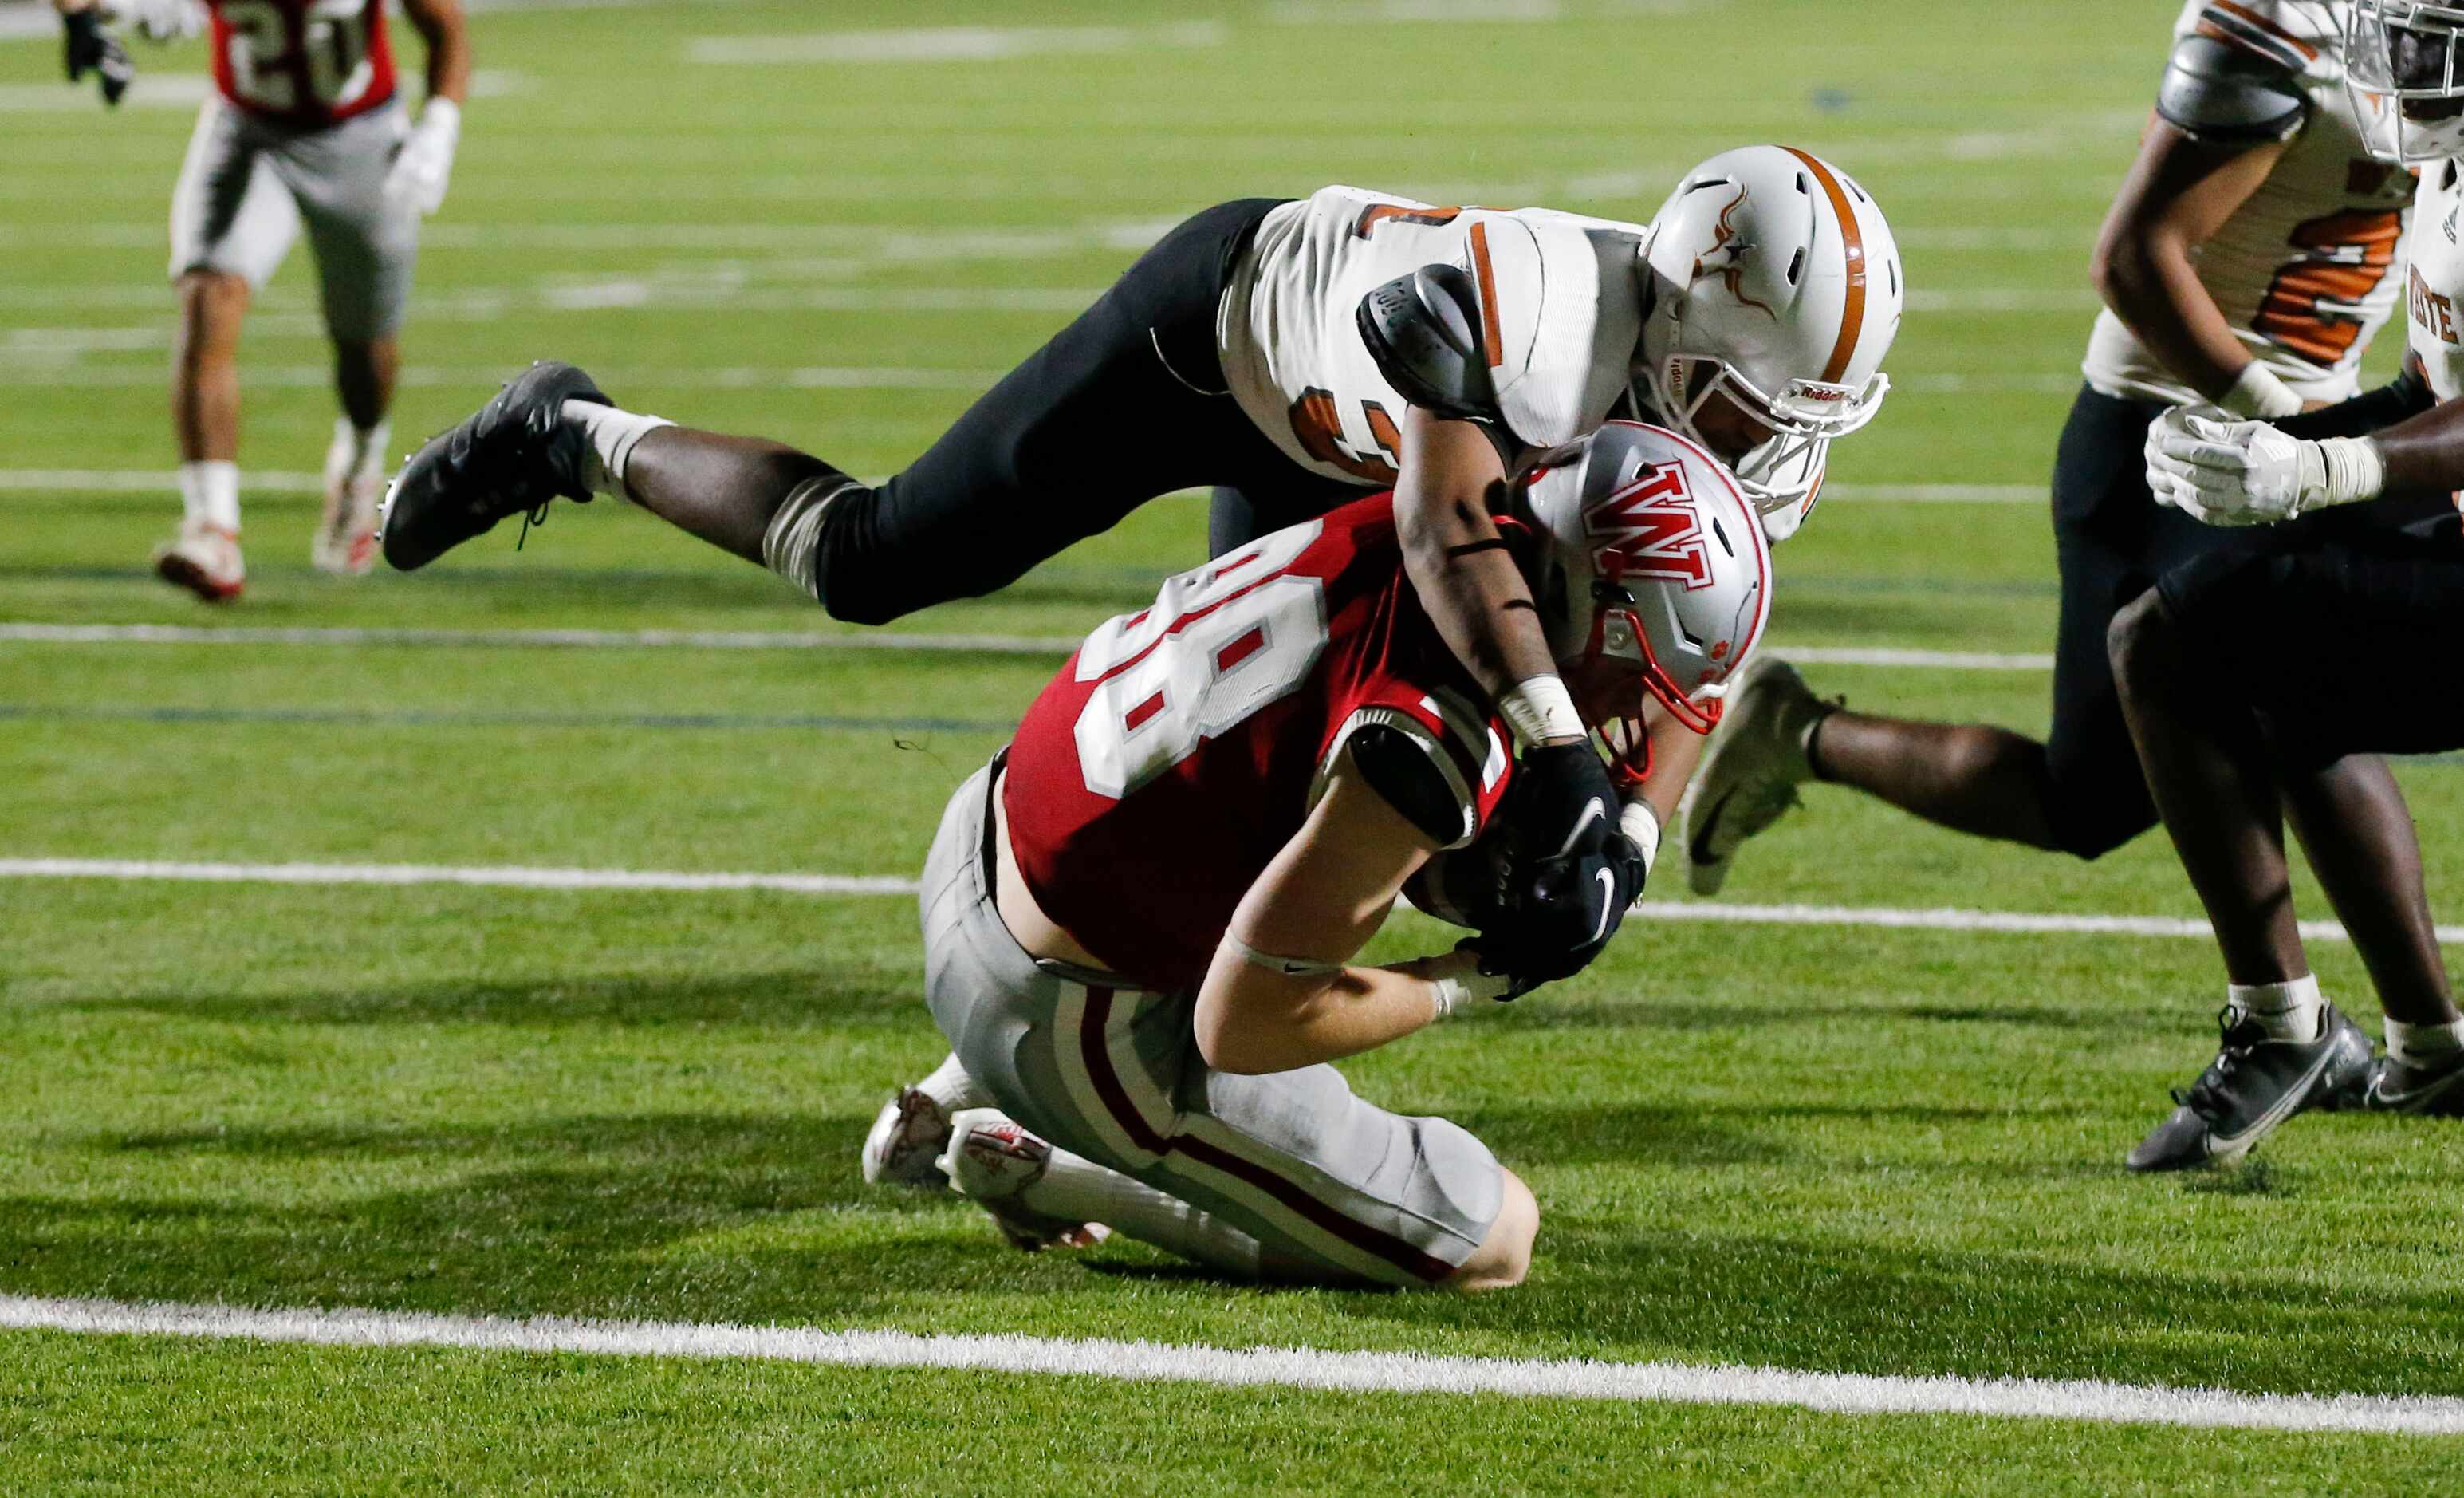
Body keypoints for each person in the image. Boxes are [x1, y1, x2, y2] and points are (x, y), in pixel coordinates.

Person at [379, 148, 1899, 978]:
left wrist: (1622, 846)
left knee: (1317, 798)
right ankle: (569, 430)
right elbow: (1450, 532)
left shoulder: (1730, 423)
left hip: (1387, 468)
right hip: (1219, 346)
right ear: (1686, 321)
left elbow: (1697, 649)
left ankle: (1034, 1089)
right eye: (1758, 404)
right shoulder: (1546, 318)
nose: (1769, 449)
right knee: (871, 556)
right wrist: (1563, 746)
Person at [848, 421, 1768, 1284]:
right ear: (1580, 599)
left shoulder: (1458, 510)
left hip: (981, 840)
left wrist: (1634, 841)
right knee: (1490, 1236)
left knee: (1259, 829)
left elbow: (1686, 694)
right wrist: (1477, 974)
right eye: (1629, 675)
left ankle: (955, 1088)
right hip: (1069, 1022)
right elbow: (1246, 1029)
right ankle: (1049, 1164)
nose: (1624, 711)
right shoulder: (1430, 741)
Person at [1681, 0, 2417, 901]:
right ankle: (2350, 1029)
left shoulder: (2421, 29)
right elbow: (2133, 260)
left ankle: (2350, 1026)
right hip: (2175, 436)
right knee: (2201, 757)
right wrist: (2288, 431)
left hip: (2295, 431)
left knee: (2193, 757)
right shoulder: (2290, 22)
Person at [2122, 0, 2464, 1165]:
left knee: (2168, 647)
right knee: (2255, 642)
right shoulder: (2441, 169)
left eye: (2439, 41)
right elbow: (2435, 384)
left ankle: (2285, 1025)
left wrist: (2326, 464)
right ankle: (2424, 1046)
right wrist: (2255, 438)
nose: (2412, 65)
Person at [57, 0, 469, 600]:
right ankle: (212, 528)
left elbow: (445, 25)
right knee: (208, 294)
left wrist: (440, 126)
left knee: (366, 342)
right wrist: (88, 17)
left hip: (359, 135)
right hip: (246, 129)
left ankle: (359, 457)